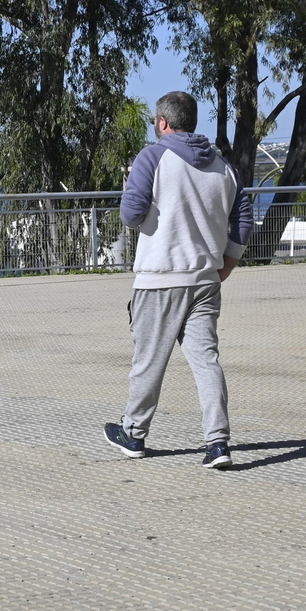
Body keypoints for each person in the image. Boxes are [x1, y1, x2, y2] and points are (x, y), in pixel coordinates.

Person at [104, 92, 253, 469]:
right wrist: (227, 266)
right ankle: (218, 444)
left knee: (149, 360)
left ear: (163, 123)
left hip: (160, 278)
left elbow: (130, 214)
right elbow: (243, 220)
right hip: (206, 279)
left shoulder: (152, 157)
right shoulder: (225, 167)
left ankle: (134, 434)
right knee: (207, 361)